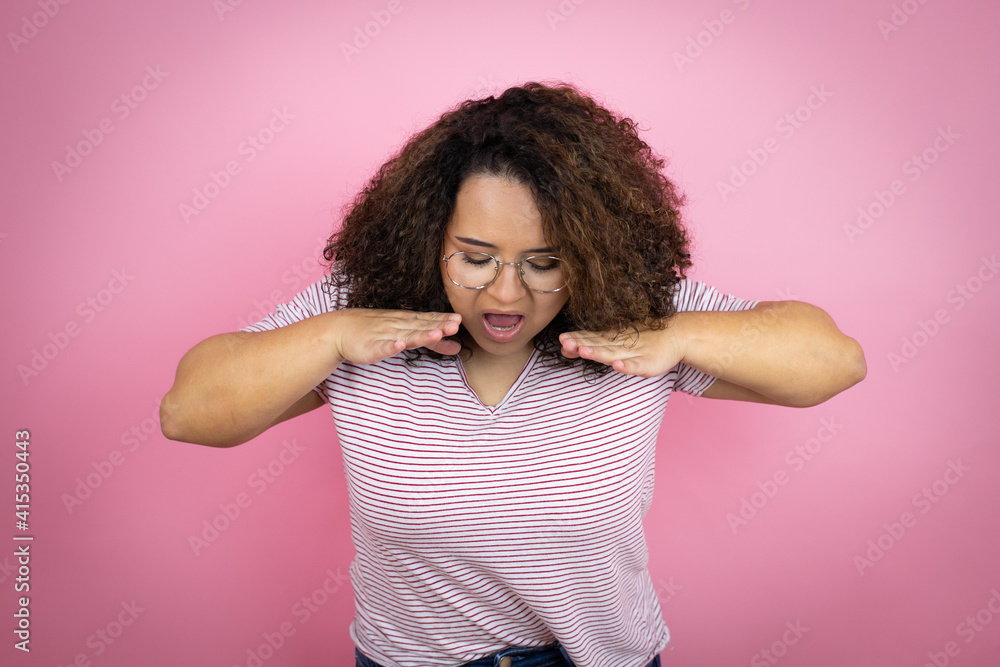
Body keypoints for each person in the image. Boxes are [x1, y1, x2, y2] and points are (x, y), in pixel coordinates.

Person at [161, 81, 866, 667]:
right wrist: (337, 332)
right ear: (428, 235)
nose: (505, 294)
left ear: (589, 251)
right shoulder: (359, 309)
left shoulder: (637, 312)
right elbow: (187, 410)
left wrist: (678, 333)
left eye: (545, 262)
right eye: (474, 257)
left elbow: (835, 361)